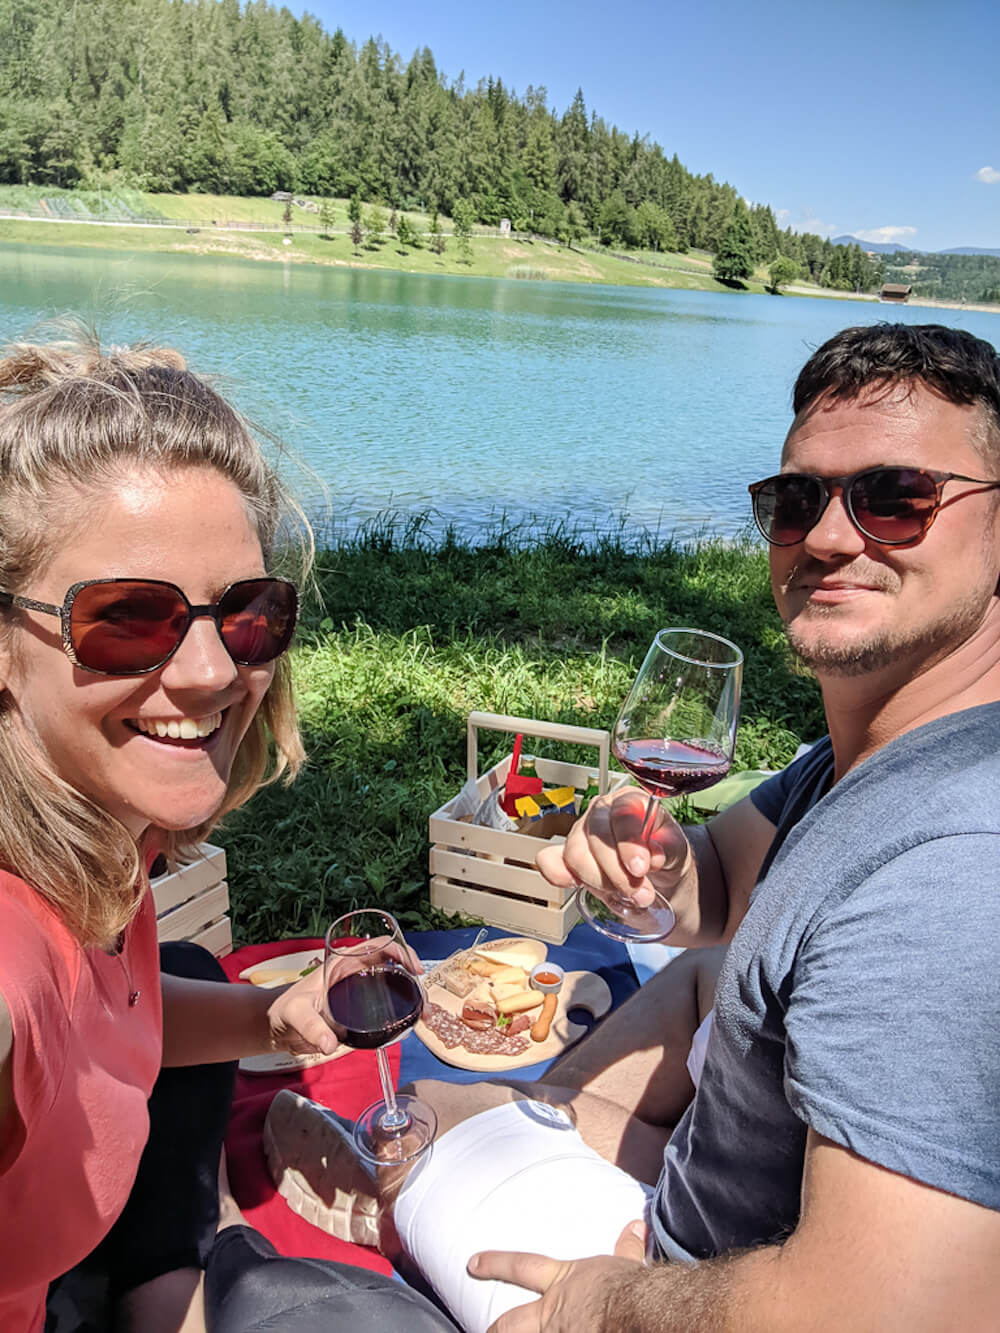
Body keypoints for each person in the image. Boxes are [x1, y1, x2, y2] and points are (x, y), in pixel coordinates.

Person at [267, 322, 1000, 1333]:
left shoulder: (953, 877)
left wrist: (609, 1302)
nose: (829, 538)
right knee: (552, 1080)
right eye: (796, 501)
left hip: (710, 1279)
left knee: (431, 1129)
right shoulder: (888, 753)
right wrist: (658, 862)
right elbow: (721, 887)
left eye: (895, 496)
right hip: (724, 1193)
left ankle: (392, 1204)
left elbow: (892, 1311)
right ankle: (527, 1143)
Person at [0, 329, 459, 1333]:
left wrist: (268, 1020)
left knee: (193, 963)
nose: (213, 672)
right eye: (128, 616)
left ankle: (171, 1269)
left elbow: (98, 1008)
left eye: (246, 613)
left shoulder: (97, 837)